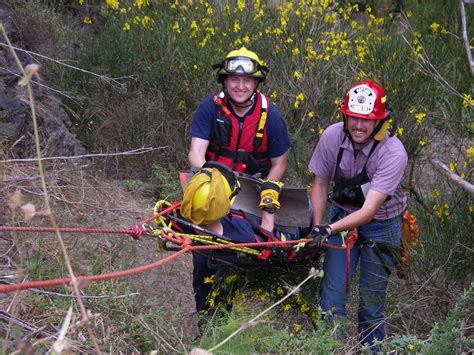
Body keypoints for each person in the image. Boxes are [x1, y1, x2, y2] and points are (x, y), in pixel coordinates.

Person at [306, 80, 408, 352]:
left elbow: (369, 211)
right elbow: (320, 182)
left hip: (381, 226)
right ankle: (330, 348)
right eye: (354, 118)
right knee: (331, 298)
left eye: (367, 120)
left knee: (371, 306)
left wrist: (328, 229)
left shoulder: (393, 152)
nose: (359, 126)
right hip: (340, 216)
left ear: (380, 121)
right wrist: (318, 227)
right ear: (345, 116)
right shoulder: (332, 136)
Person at [187, 46, 291, 231]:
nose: (240, 86)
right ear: (224, 81)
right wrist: (213, 187)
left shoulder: (271, 116)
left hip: (253, 191)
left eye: (247, 80)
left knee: (250, 240)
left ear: (256, 83)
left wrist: (267, 199)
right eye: (234, 79)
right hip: (212, 185)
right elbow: (196, 152)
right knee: (202, 248)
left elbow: (280, 163)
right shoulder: (209, 107)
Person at [181, 161, 271, 327]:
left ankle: (205, 327)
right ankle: (215, 329)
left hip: (205, 272)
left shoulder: (187, 223)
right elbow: (266, 241)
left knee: (205, 293)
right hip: (230, 263)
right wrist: (269, 204)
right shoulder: (241, 234)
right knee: (220, 300)